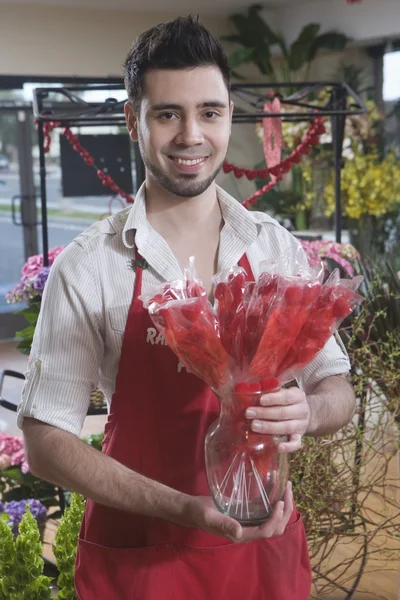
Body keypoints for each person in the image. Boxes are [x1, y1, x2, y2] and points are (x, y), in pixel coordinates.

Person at [19, 15, 356, 600]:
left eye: (210, 112)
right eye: (167, 113)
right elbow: (45, 441)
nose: (191, 135)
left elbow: (338, 388)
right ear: (133, 121)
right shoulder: (90, 264)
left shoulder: (273, 246)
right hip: (139, 557)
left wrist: (308, 413)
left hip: (263, 550)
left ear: (228, 117)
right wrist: (184, 508)